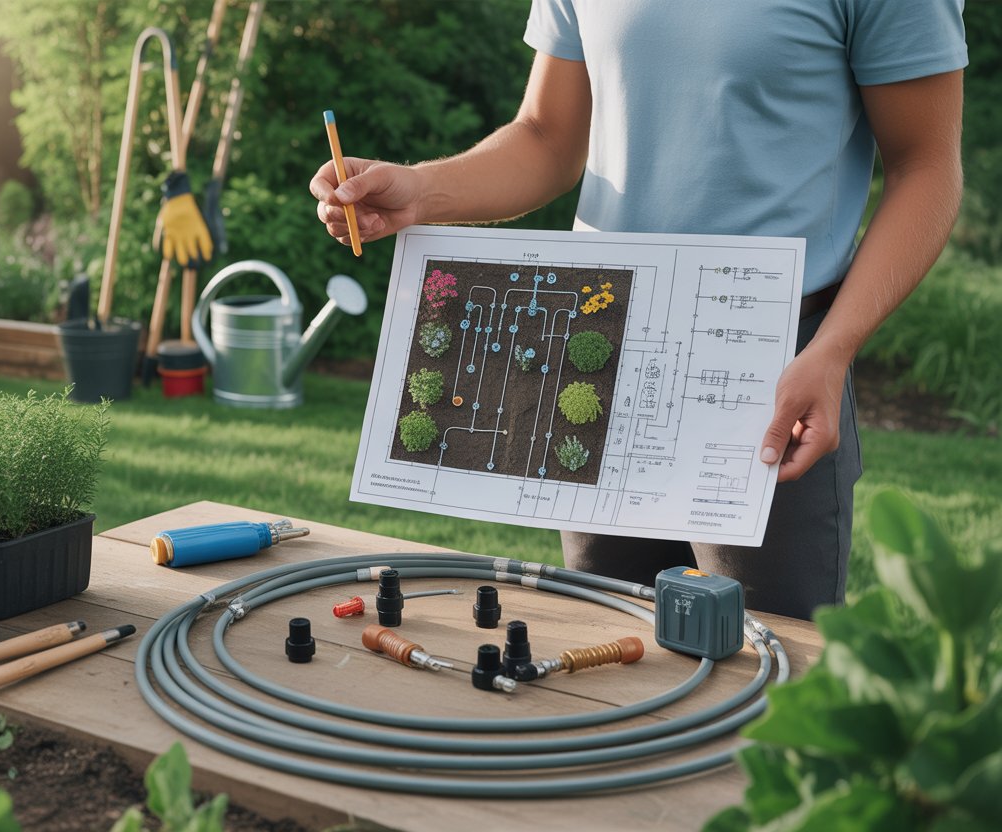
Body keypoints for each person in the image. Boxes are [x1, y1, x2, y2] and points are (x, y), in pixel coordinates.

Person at [309, 1, 967, 620]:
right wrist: (421, 190)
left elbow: (926, 167)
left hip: (773, 374)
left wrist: (834, 348)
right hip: (600, 354)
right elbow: (547, 135)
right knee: (605, 664)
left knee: (765, 687)